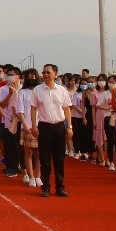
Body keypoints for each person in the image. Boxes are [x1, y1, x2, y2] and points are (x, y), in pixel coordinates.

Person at [31, 63, 72, 196]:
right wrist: (34, 125)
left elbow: (67, 109)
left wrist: (69, 126)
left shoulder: (62, 90)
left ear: (55, 74)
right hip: (44, 127)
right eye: (44, 72)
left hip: (59, 127)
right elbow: (33, 108)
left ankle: (60, 187)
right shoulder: (37, 90)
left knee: (59, 159)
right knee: (45, 159)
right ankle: (45, 187)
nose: (45, 75)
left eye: (48, 72)